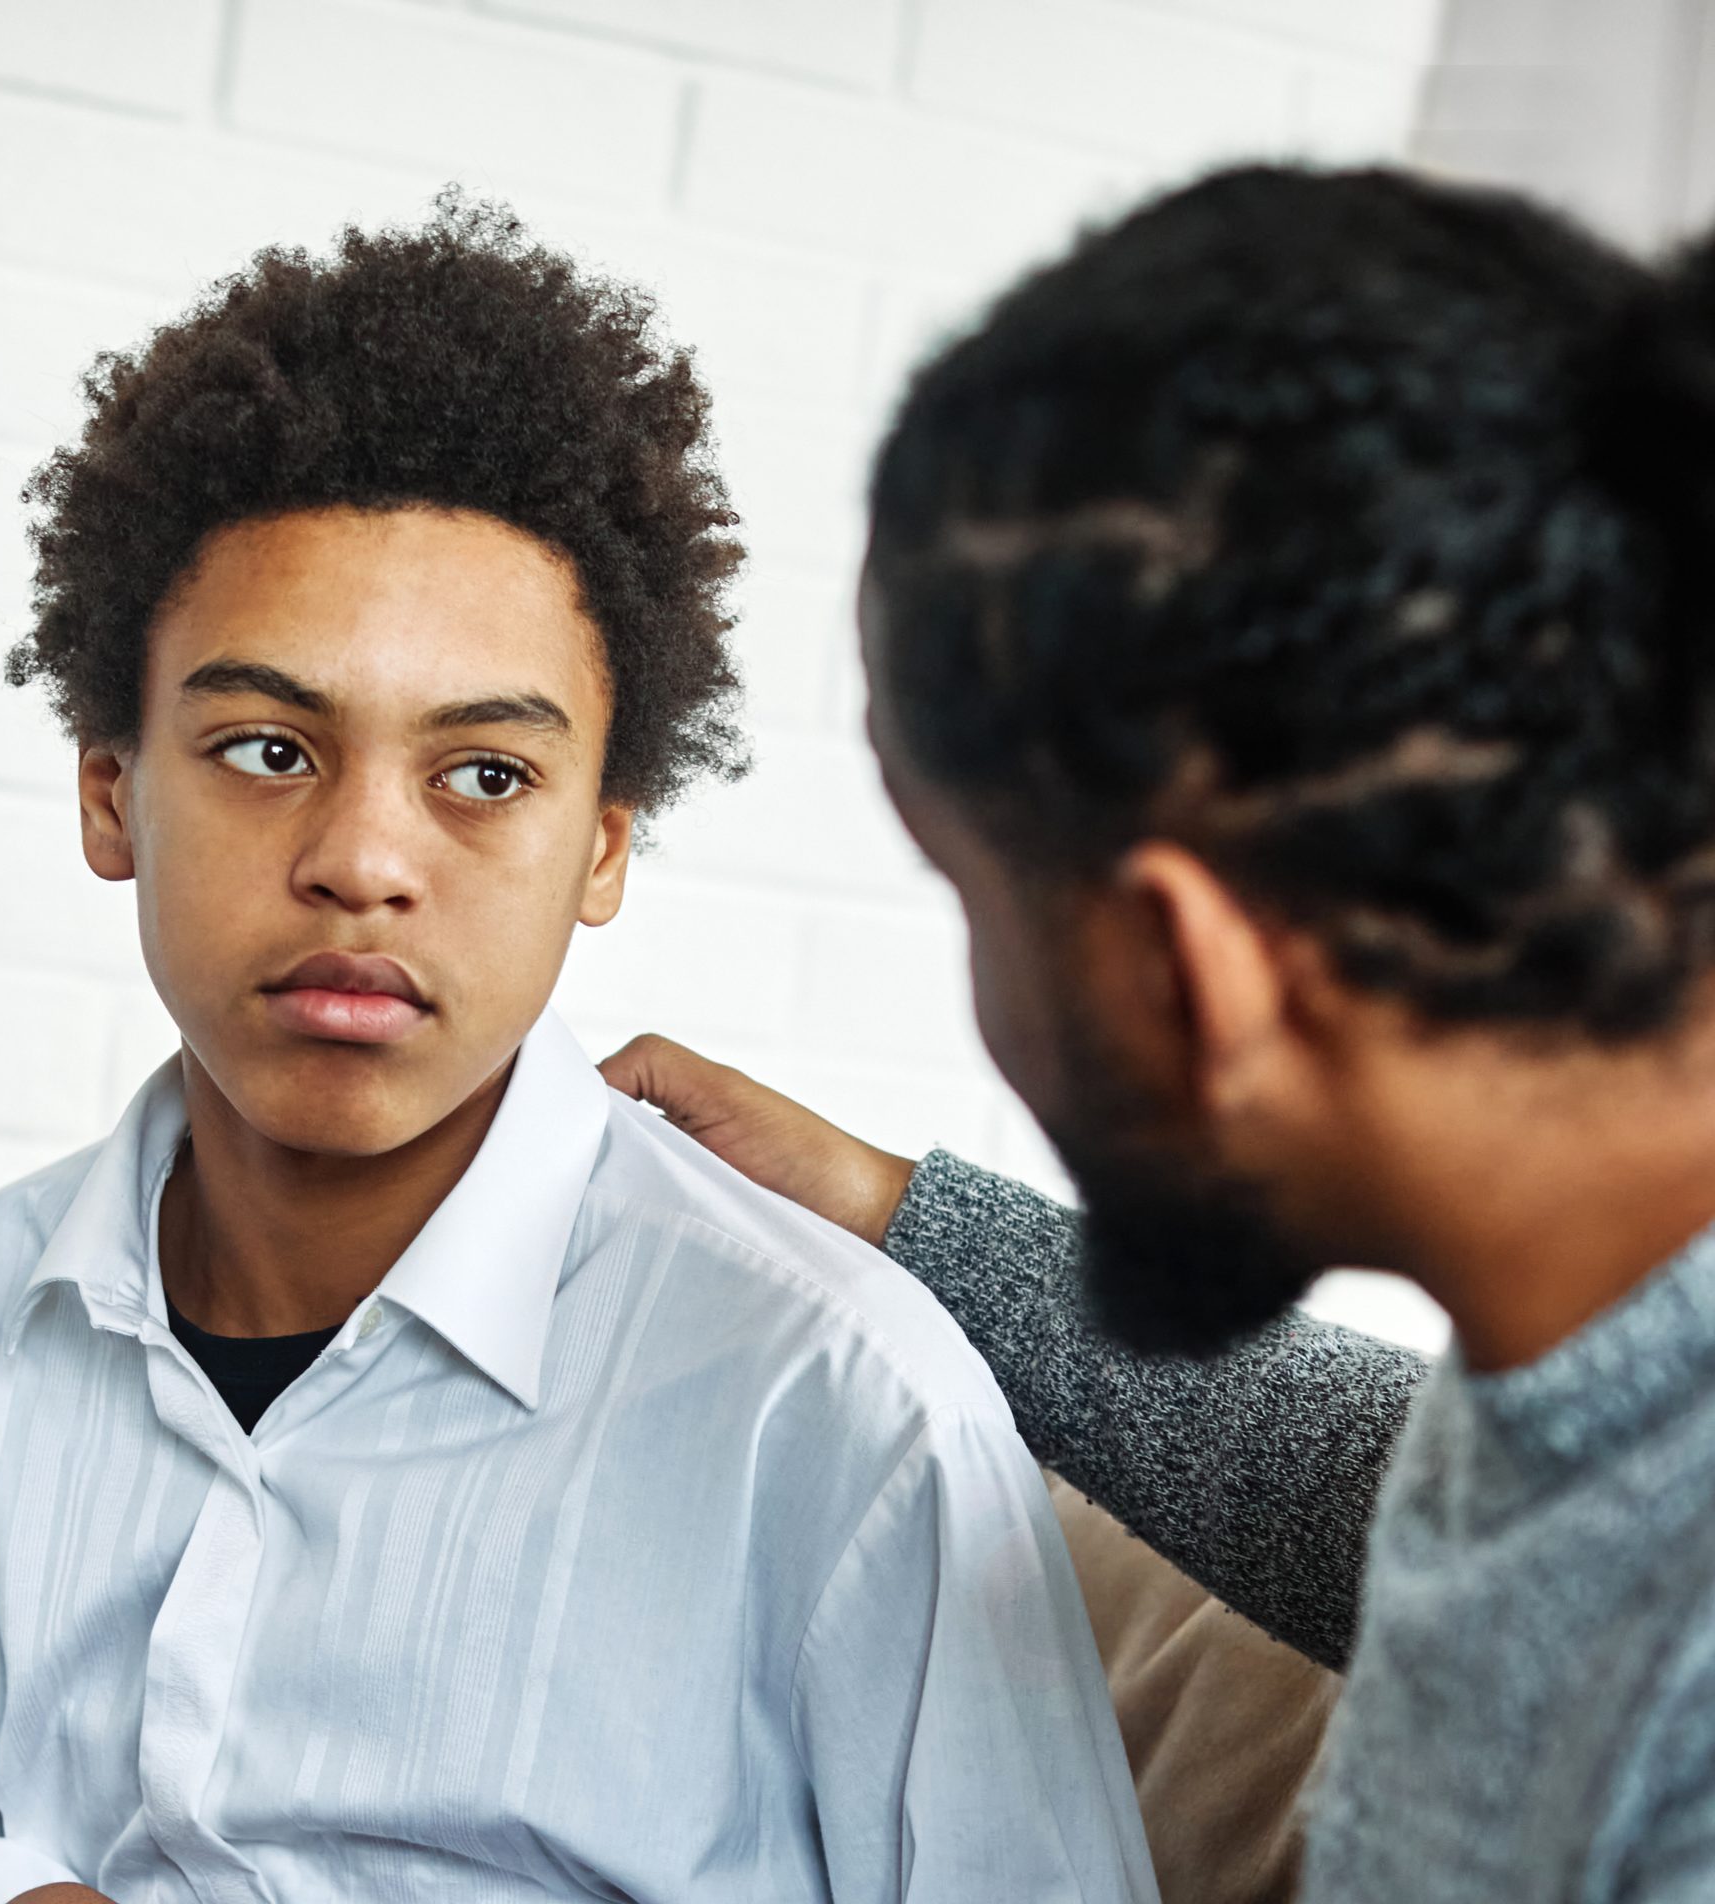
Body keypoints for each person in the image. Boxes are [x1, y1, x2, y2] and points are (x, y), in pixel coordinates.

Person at [0, 200, 1155, 1904]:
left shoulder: (838, 1403)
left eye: (485, 775)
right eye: (267, 749)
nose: (364, 861)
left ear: (604, 848)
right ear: (113, 793)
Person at [605, 164, 1715, 1902]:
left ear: (1185, 968)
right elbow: (1416, 1498)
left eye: (973, 900)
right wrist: (892, 1213)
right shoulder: (1593, 1370)